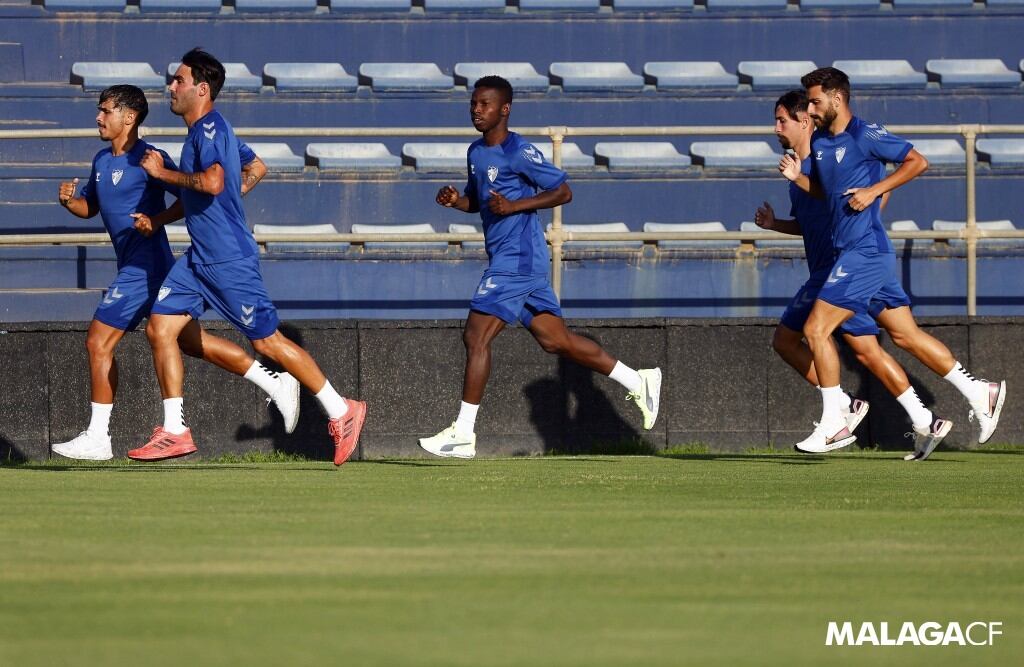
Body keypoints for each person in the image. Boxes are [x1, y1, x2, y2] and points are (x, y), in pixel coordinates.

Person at [130, 48, 366, 465]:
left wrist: (162, 174)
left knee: (268, 342)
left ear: (201, 89)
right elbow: (255, 169)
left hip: (227, 260)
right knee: (160, 329)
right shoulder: (209, 133)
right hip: (199, 259)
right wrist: (176, 211)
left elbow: (215, 182)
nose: (171, 87)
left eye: (179, 80)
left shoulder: (209, 130)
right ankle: (174, 431)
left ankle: (342, 410)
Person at [418, 75, 661, 459]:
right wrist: (456, 201)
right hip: (509, 260)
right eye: (473, 104)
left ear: (505, 109)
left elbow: (564, 191)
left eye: (484, 105)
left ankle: (463, 433)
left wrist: (514, 207)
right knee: (555, 340)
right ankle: (638, 379)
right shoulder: (476, 152)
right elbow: (481, 200)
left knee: (475, 336)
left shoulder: (520, 151)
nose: (476, 111)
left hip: (518, 259)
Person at [52, 84, 297, 460]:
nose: (98, 118)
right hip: (143, 268)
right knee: (192, 343)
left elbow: (189, 199)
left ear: (128, 117)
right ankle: (274, 382)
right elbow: (92, 208)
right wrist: (71, 202)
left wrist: (157, 220)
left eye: (105, 111)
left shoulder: (151, 158)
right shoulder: (101, 161)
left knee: (98, 341)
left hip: (145, 268)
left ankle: (99, 436)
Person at [780, 68, 1005, 458]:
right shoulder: (819, 143)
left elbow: (918, 162)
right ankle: (978, 391)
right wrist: (800, 179)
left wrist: (875, 190)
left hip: (863, 252)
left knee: (816, 329)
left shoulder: (866, 134)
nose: (811, 109)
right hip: (857, 254)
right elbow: (824, 192)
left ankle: (836, 420)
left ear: (837, 98)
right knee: (904, 335)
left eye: (816, 101)